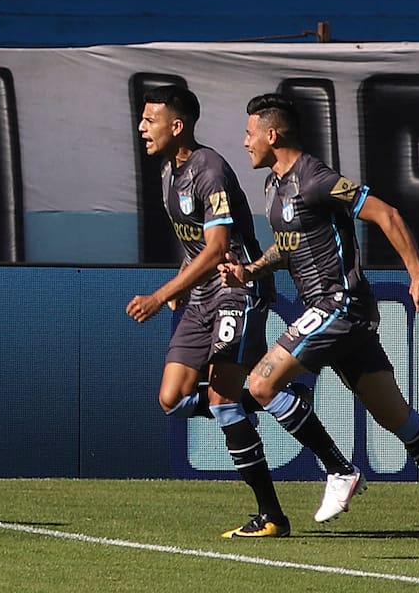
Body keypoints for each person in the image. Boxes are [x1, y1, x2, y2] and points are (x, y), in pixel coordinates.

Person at [127, 85, 357, 538]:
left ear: (177, 126)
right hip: (200, 297)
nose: (141, 128)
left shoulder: (209, 169)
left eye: (149, 120)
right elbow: (195, 241)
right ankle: (269, 401)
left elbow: (217, 250)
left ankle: (273, 512)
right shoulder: (169, 172)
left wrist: (159, 295)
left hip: (236, 289)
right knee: (171, 400)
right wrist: (181, 280)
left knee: (220, 399)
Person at [220, 93, 419, 518]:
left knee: (260, 384)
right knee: (398, 418)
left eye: (250, 134)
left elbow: (388, 215)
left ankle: (339, 469)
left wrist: (417, 274)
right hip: (338, 316)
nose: (245, 142)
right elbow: (288, 247)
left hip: (339, 305)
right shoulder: (274, 187)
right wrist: (251, 271)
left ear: (273, 134)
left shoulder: (315, 178)